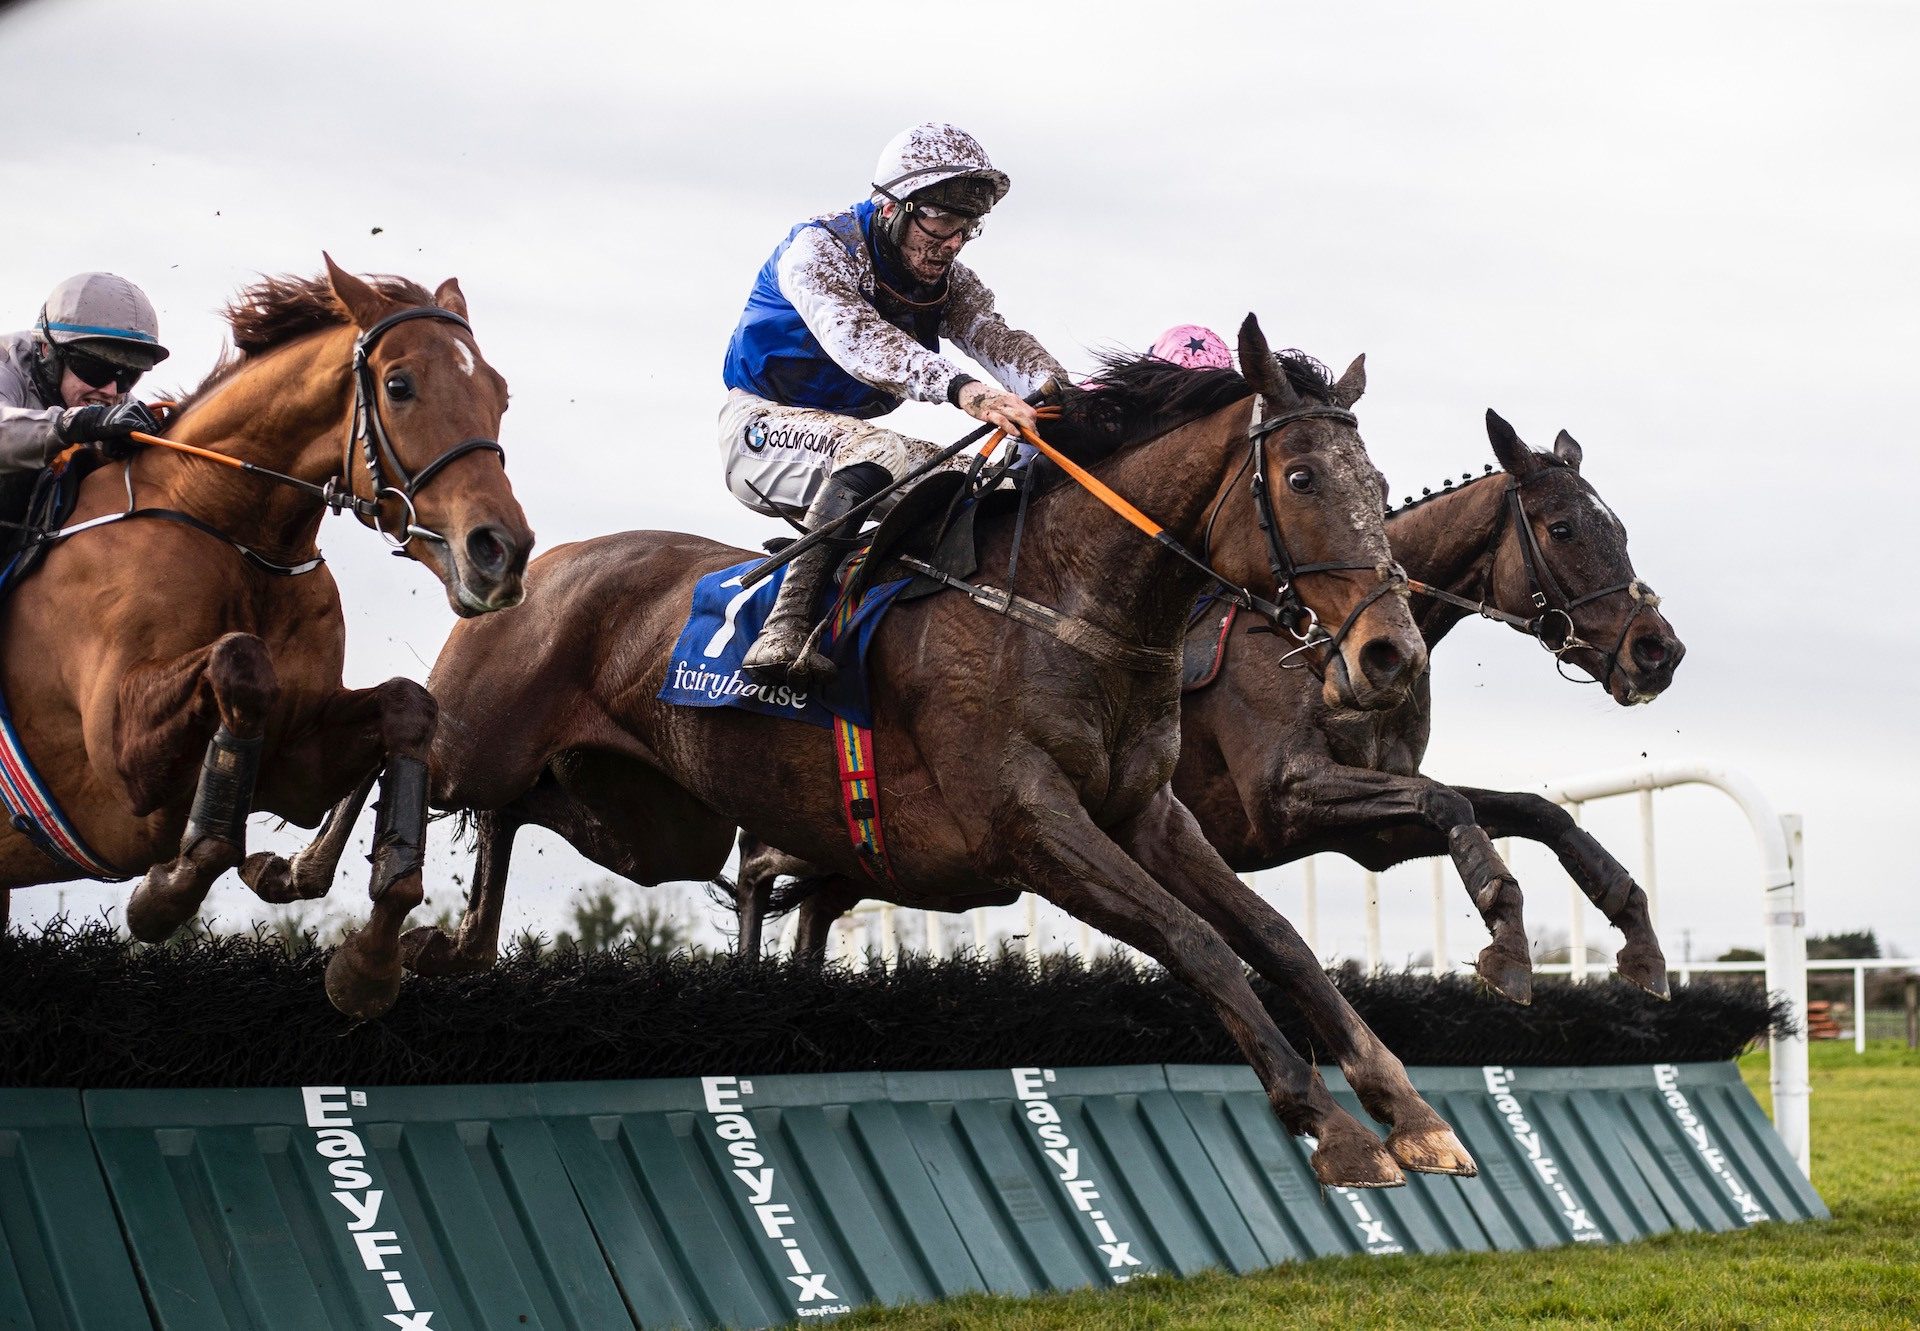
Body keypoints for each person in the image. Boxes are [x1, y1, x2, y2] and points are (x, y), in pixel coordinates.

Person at [719, 122, 1066, 684]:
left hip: (843, 441)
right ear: (892, 208)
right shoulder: (819, 249)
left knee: (991, 482)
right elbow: (859, 343)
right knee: (875, 449)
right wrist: (969, 392)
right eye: (942, 221)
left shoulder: (952, 283)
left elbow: (1000, 343)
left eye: (968, 226)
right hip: (759, 427)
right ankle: (782, 630)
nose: (953, 240)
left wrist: (1063, 396)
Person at [0, 273, 167, 528]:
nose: (111, 391)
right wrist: (73, 425)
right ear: (48, 350)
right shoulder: (5, 363)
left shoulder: (114, 400)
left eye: (128, 376)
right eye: (96, 369)